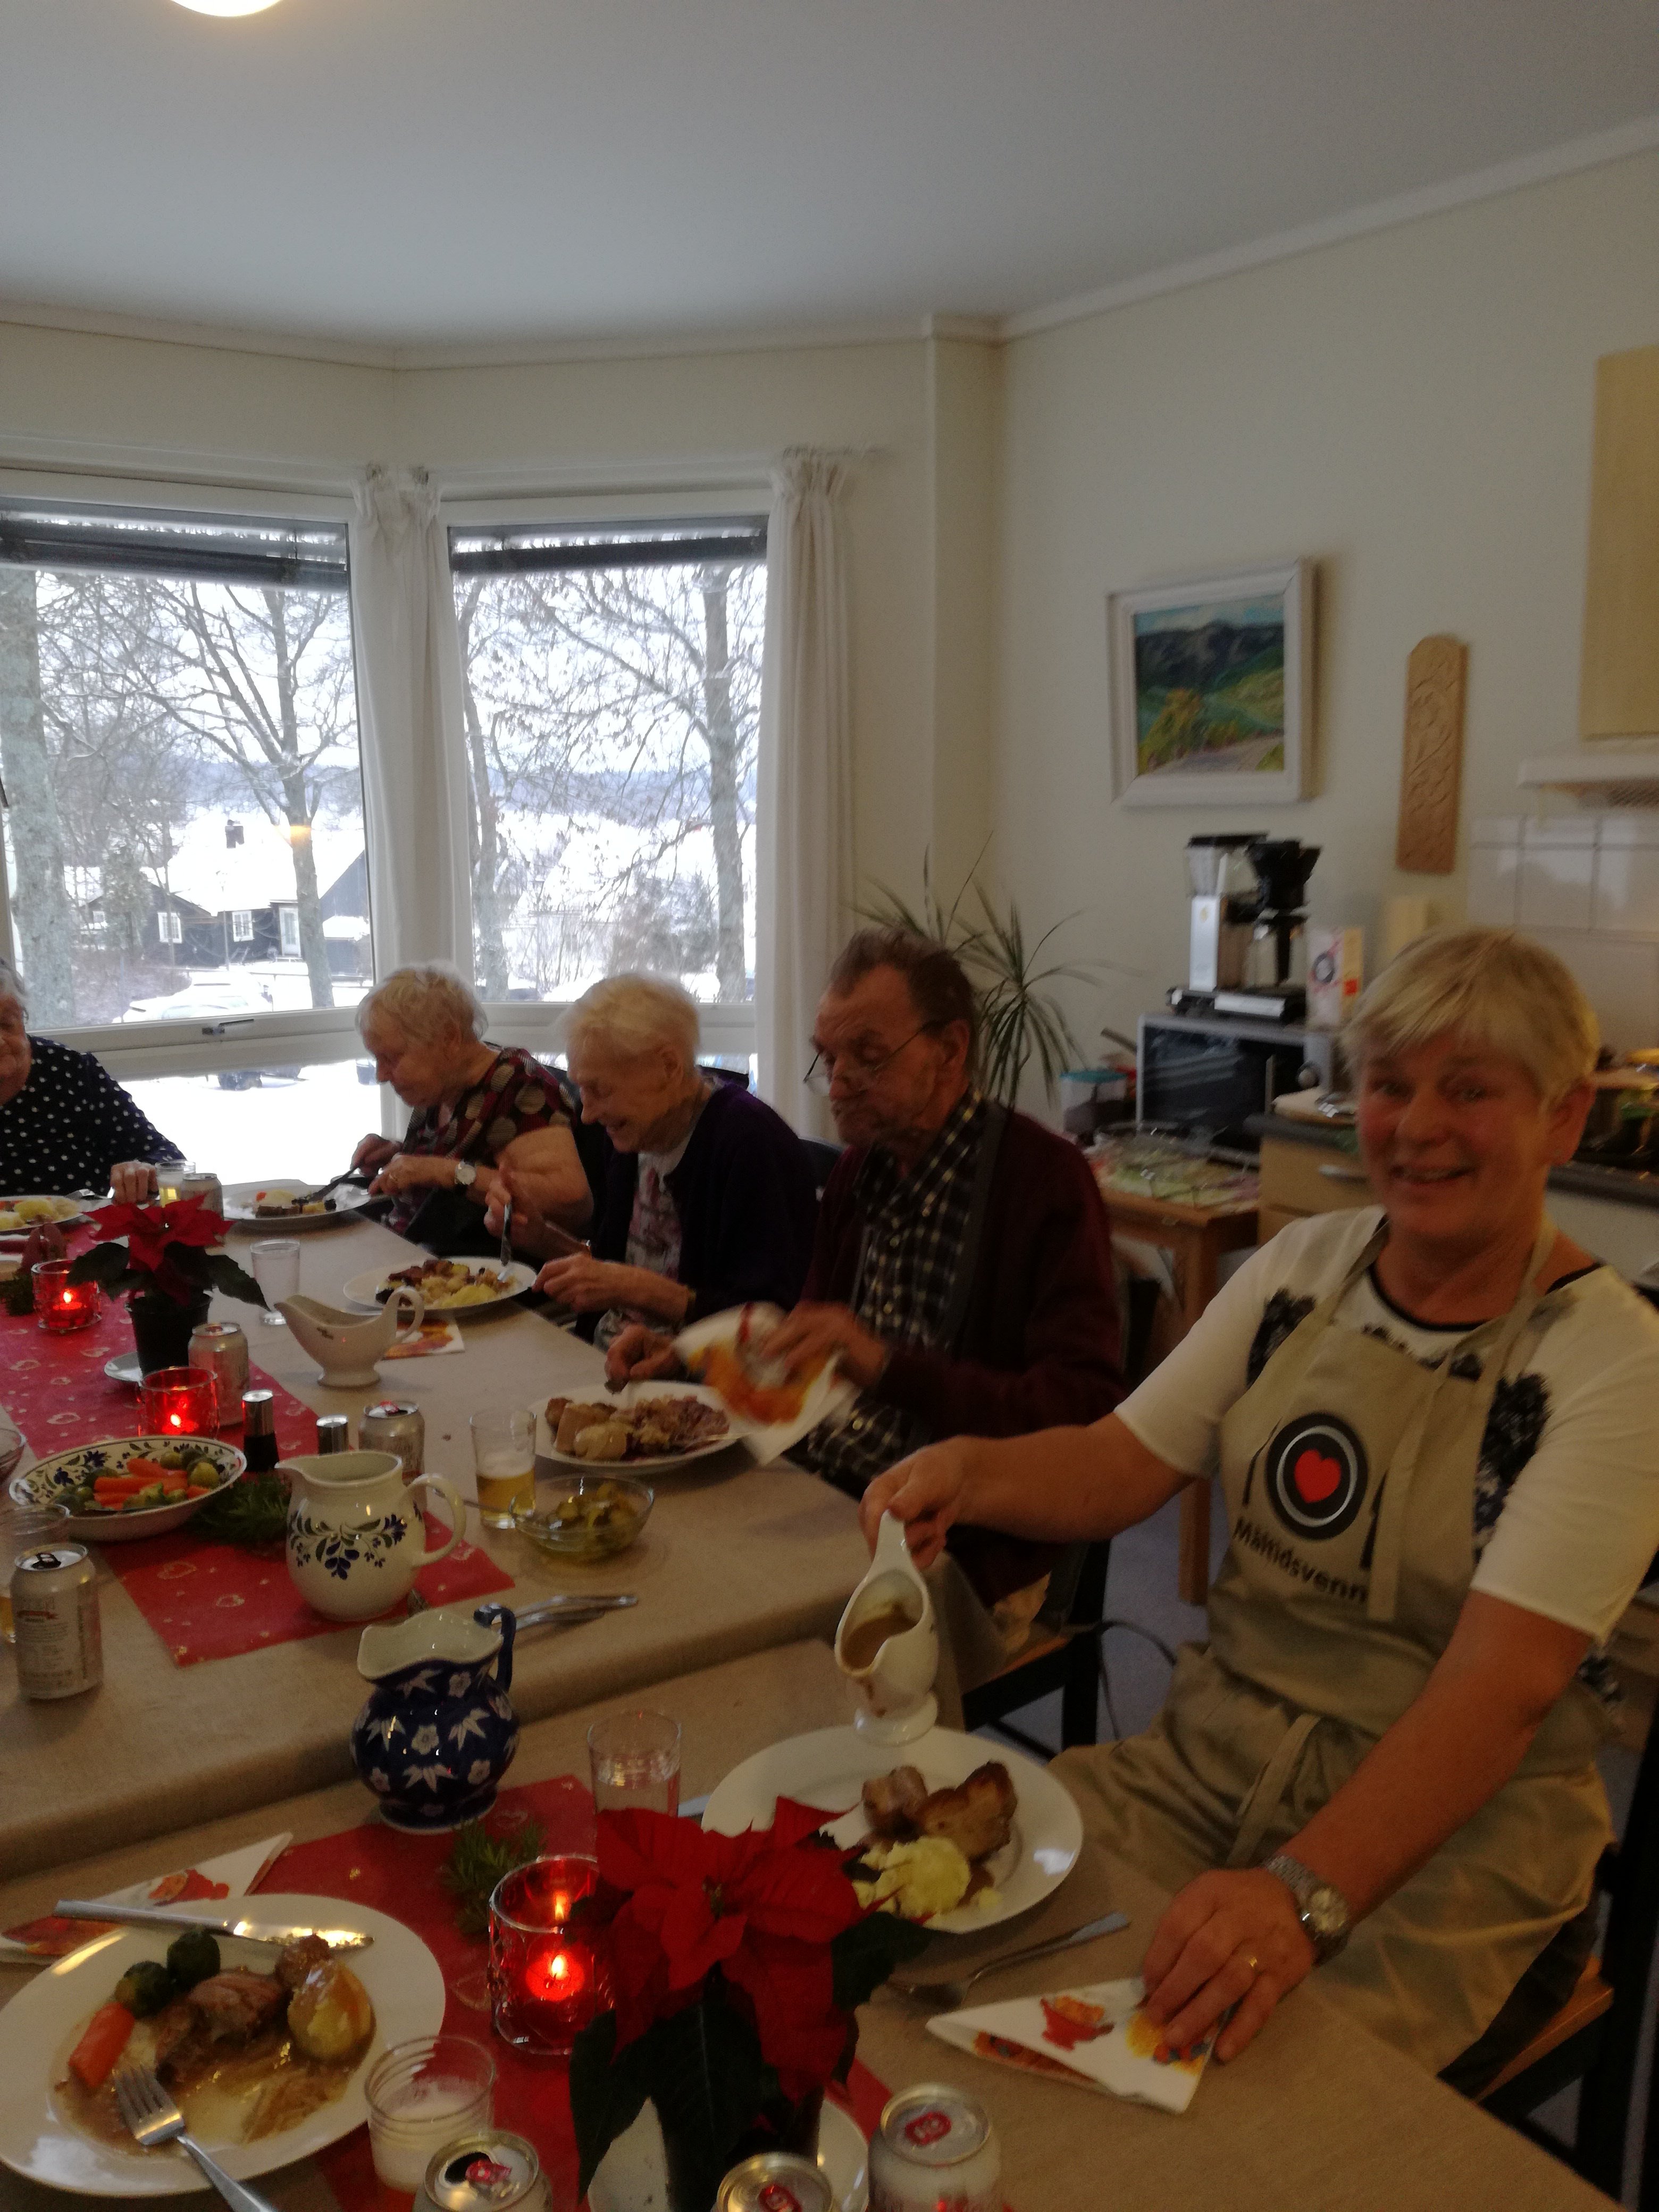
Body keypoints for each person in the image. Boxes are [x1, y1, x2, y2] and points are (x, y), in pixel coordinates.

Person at [861, 926, 1659, 2088]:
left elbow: (1500, 1695)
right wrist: (969, 1470)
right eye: (1389, 1085)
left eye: (1471, 1089)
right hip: (1206, 1765)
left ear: (1565, 1116)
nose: (1419, 1124)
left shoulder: (1613, 1364)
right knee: (925, 1942)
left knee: (1240, 2107)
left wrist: (1301, 1894)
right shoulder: (1299, 1273)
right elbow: (1118, 1463)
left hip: (1454, 1853)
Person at [609, 927, 1123, 1652]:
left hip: (960, 1538)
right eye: (830, 1054)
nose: (840, 1078)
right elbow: (813, 1357)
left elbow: (1082, 1418)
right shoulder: (861, 1172)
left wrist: (886, 1366)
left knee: (717, 1642)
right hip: (829, 1486)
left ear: (949, 1052)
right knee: (649, 1553)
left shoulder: (1043, 1184)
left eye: (869, 1056)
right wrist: (693, 1358)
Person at [485, 973, 817, 1343]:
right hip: (605, 1354)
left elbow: (769, 1322)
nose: (588, 1115)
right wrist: (540, 1236)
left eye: (600, 1090)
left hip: (694, 1382)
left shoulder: (749, 1144)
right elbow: (614, 1271)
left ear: (669, 1067)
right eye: (582, 1089)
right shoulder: (634, 1134)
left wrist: (642, 1290)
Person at [351, 965, 590, 1243]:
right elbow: (464, 1154)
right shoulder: (443, 1083)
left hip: (477, 1275)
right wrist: (395, 1153)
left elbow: (573, 1200)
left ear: (449, 1038)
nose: (380, 1075)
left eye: (391, 1059)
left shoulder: (520, 1087)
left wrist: (441, 1172)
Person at [0, 958, 183, 1201]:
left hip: (80, 1236)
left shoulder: (70, 1071)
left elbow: (167, 1158)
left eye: (7, 1025)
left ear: (22, 1018)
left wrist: (142, 1171)